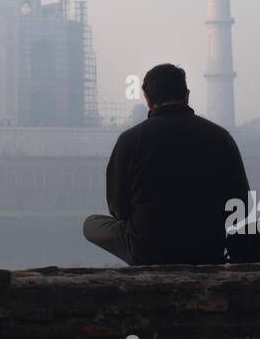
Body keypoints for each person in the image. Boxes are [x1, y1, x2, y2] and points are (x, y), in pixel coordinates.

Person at [83, 63, 250, 265]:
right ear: (187, 95)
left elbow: (118, 208)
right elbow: (241, 204)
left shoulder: (130, 140)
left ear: (147, 99)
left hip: (147, 250)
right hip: (207, 250)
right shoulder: (220, 137)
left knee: (91, 224)